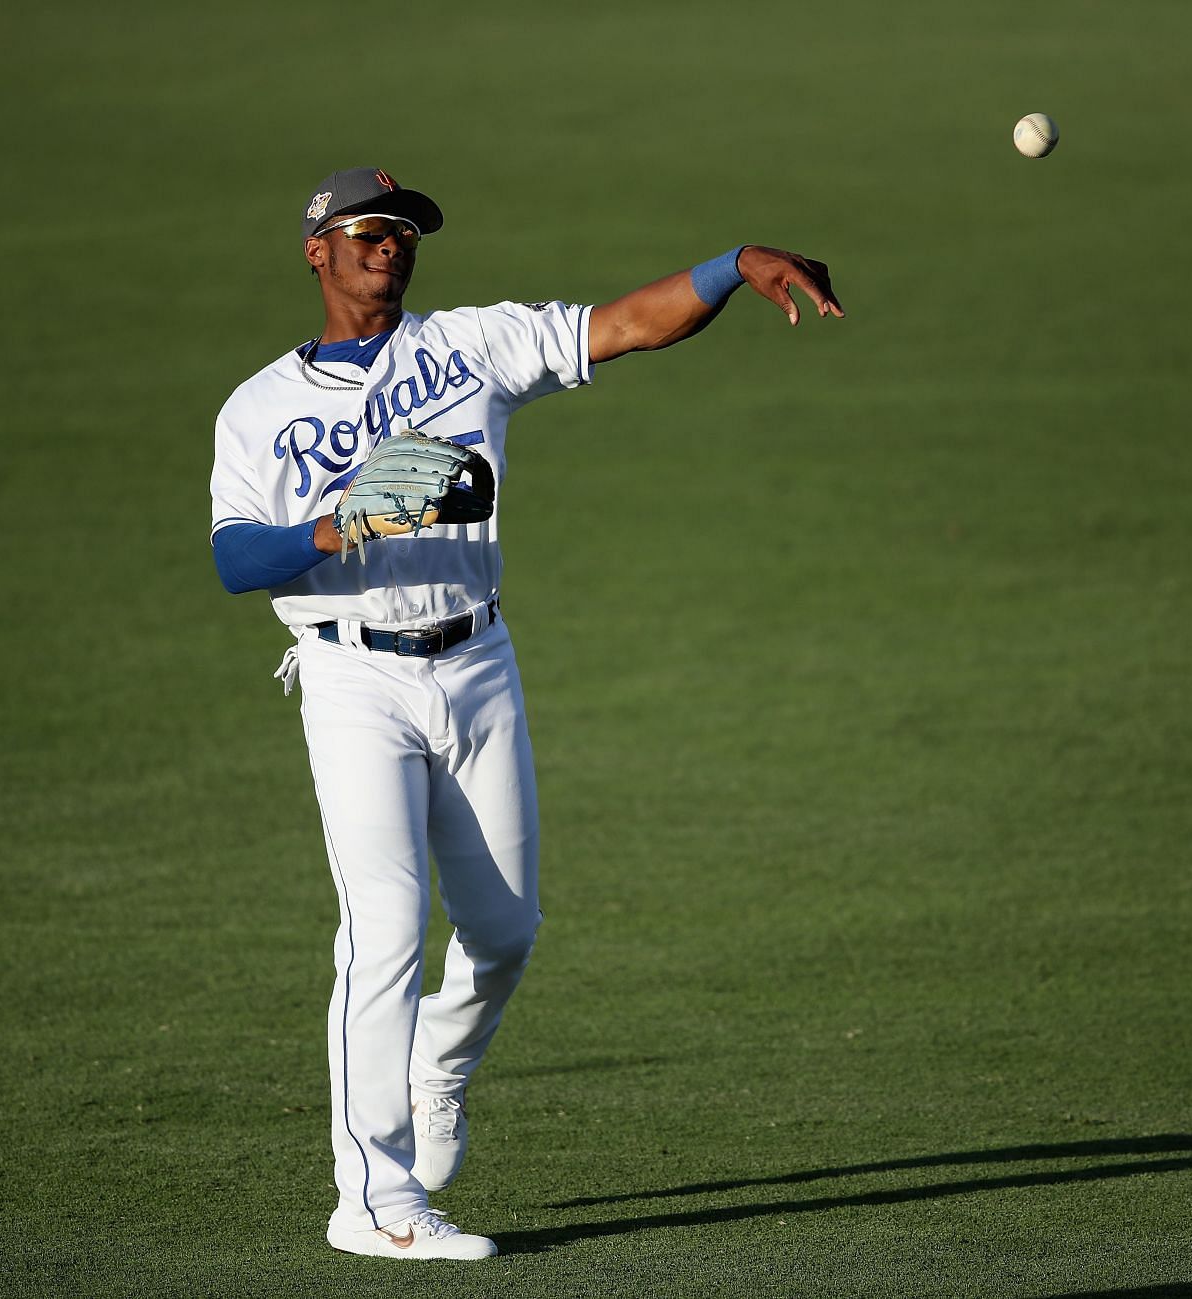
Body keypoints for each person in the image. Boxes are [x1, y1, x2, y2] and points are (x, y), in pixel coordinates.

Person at [207, 166, 842, 1261]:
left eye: (405, 233)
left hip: (477, 658)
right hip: (351, 678)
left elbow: (628, 326)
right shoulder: (260, 407)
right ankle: (371, 1202)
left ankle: (437, 1072)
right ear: (318, 250)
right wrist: (334, 529)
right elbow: (229, 559)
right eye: (368, 231)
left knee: (502, 934)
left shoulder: (471, 346)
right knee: (387, 928)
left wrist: (732, 267)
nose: (391, 246)